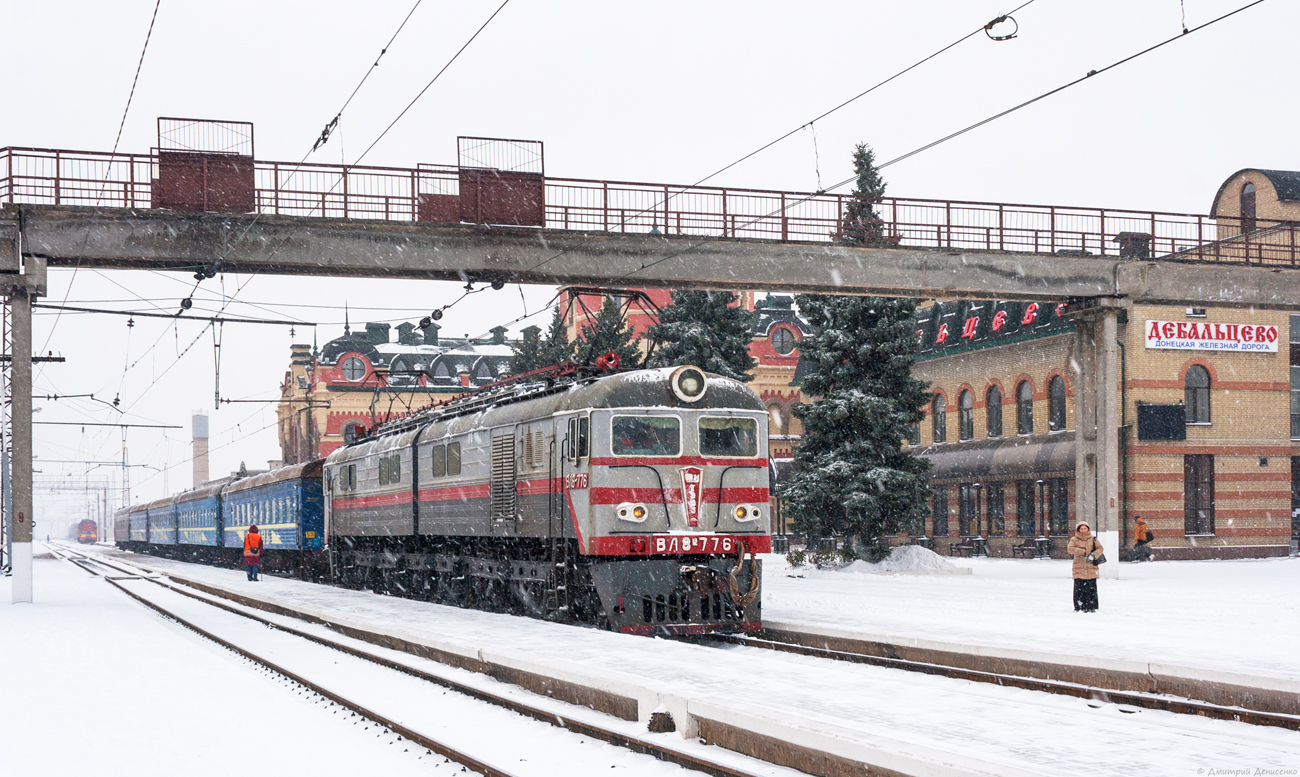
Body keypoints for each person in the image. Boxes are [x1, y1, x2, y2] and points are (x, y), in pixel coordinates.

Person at [1067, 520, 1103, 612]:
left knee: (1091, 587)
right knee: (1079, 587)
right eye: (1081, 528)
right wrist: (1083, 552)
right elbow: (1070, 549)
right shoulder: (1074, 539)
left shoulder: (1093, 539)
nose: (1083, 530)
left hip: (1091, 566)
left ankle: (1091, 605)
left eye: (1085, 528)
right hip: (1079, 566)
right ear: (1078, 530)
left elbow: (1100, 548)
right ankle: (1079, 605)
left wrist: (1093, 555)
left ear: (1088, 529)